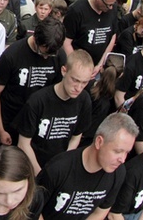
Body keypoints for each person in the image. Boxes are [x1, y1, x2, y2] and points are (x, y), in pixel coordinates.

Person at [38, 113, 137, 220]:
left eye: (127, 152)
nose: (122, 159)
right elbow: (33, 209)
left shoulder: (118, 172)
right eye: (118, 151)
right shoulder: (58, 168)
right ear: (99, 142)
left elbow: (101, 211)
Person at [0, 17, 66, 146]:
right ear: (35, 38)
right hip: (10, 120)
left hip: (37, 122)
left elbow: (56, 90)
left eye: (50, 55)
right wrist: (1, 130)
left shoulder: (58, 55)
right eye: (42, 52)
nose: (46, 57)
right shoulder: (12, 55)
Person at [16, 49, 94, 177]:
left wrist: (62, 164)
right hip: (32, 166)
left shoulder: (84, 100)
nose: (78, 88)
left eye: (84, 82)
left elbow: (76, 136)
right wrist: (41, 175)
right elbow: (23, 143)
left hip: (59, 168)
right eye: (75, 80)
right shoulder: (38, 101)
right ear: (64, 71)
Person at [62, 0, 119, 77]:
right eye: (108, 5)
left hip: (97, 67)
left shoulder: (112, 9)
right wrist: (78, 67)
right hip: (77, 68)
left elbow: (112, 37)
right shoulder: (76, 11)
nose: (110, 8)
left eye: (112, 4)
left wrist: (100, 64)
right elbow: (66, 42)